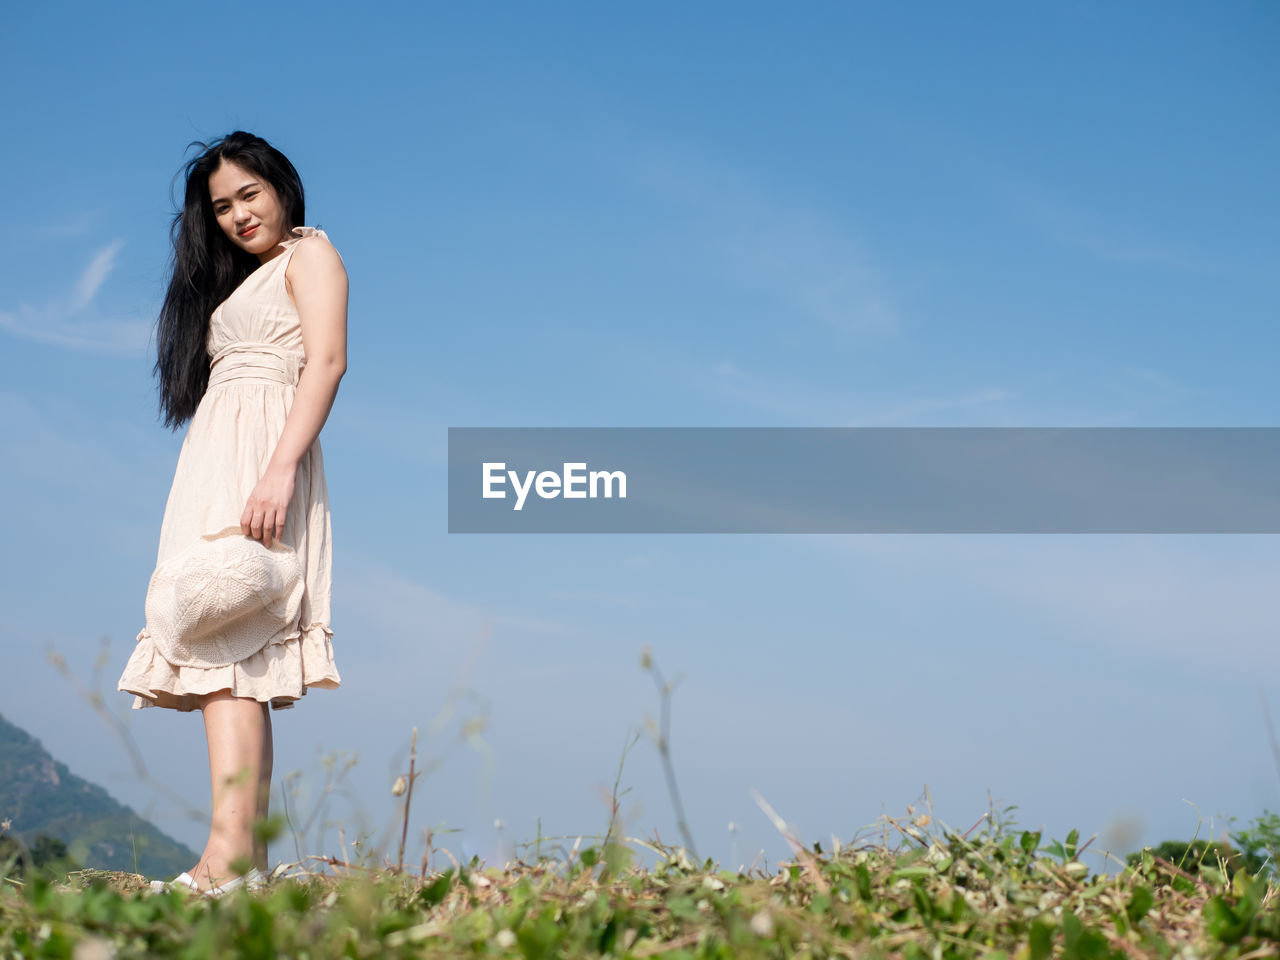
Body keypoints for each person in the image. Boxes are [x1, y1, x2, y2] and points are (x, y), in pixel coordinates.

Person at [117, 131, 347, 895]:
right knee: (231, 663)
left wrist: (279, 470)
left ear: (282, 185)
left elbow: (327, 361)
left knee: (230, 652)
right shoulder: (241, 280)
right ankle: (232, 860)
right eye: (222, 207)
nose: (239, 214)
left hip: (262, 458)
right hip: (217, 463)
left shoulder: (310, 255)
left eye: (250, 194)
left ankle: (224, 862)